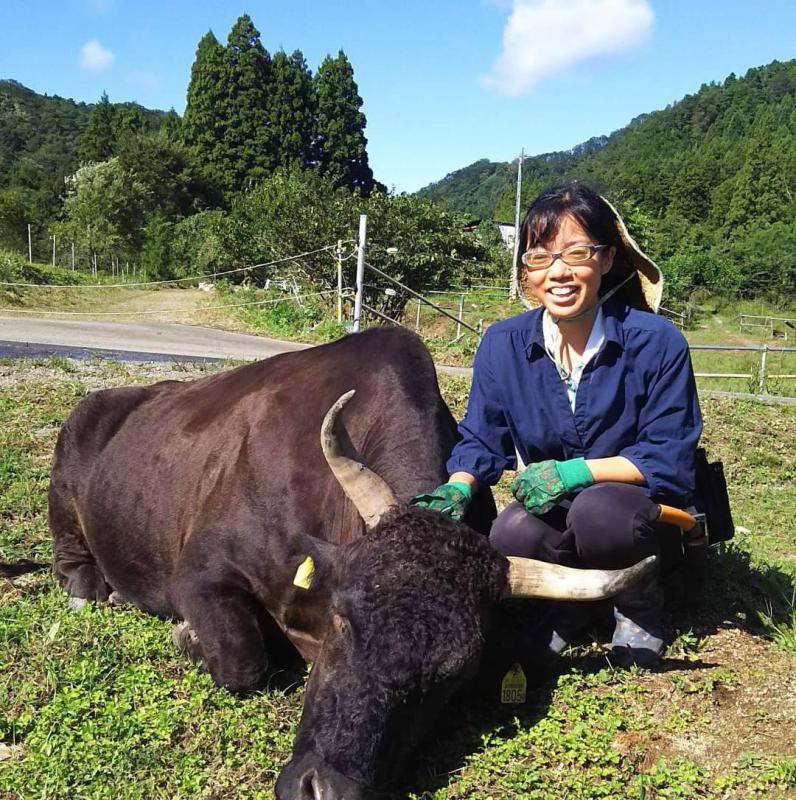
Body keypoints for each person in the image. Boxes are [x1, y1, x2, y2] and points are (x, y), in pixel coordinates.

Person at [412, 182, 702, 668]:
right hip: (557, 505)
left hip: (637, 512)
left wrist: (577, 472)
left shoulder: (656, 342)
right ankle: (568, 608)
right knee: (510, 534)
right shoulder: (503, 344)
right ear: (527, 270)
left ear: (607, 259)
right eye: (541, 257)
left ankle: (637, 606)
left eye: (577, 252)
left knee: (599, 513)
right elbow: (484, 435)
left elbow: (668, 458)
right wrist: (458, 488)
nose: (559, 272)